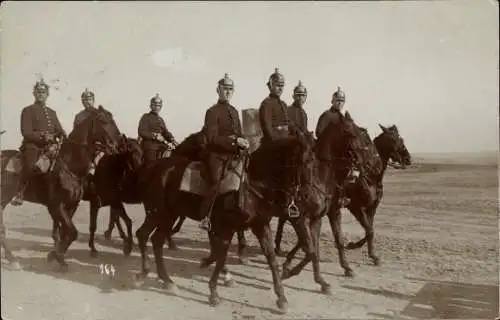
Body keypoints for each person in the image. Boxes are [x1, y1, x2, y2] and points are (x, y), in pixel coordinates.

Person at [199, 73, 249, 231]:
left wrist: (244, 141)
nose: (228, 92)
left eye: (230, 89)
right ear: (218, 90)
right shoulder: (212, 112)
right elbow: (212, 138)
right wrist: (234, 141)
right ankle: (205, 216)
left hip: (234, 154)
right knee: (216, 181)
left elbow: (239, 132)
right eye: (224, 89)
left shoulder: (234, 111)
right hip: (217, 155)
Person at [11, 78, 67, 206]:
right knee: (30, 166)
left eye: (43, 92)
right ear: (34, 94)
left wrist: (63, 135)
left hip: (50, 148)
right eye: (38, 92)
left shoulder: (52, 113)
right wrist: (43, 136)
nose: (41, 94)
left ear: (47, 95)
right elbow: (26, 132)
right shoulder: (28, 110)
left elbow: (59, 129)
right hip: (32, 146)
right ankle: (20, 193)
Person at [315, 86, 352, 207]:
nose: (339, 103)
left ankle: (342, 196)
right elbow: (318, 133)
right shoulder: (327, 115)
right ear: (332, 101)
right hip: (326, 152)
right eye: (337, 100)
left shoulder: (342, 118)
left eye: (342, 101)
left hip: (339, 153)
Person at [137, 94, 177, 167]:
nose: (156, 107)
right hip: (150, 146)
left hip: (162, 146)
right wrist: (155, 136)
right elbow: (141, 131)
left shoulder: (160, 119)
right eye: (154, 105)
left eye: (158, 105)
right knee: (151, 165)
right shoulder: (146, 117)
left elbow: (166, 132)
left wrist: (172, 139)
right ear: (151, 106)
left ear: (160, 107)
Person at [73, 88, 106, 176]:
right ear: (82, 102)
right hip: (84, 146)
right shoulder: (79, 116)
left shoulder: (99, 114)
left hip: (99, 145)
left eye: (89, 99)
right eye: (85, 100)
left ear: (93, 100)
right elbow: (75, 133)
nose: (87, 102)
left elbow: (105, 129)